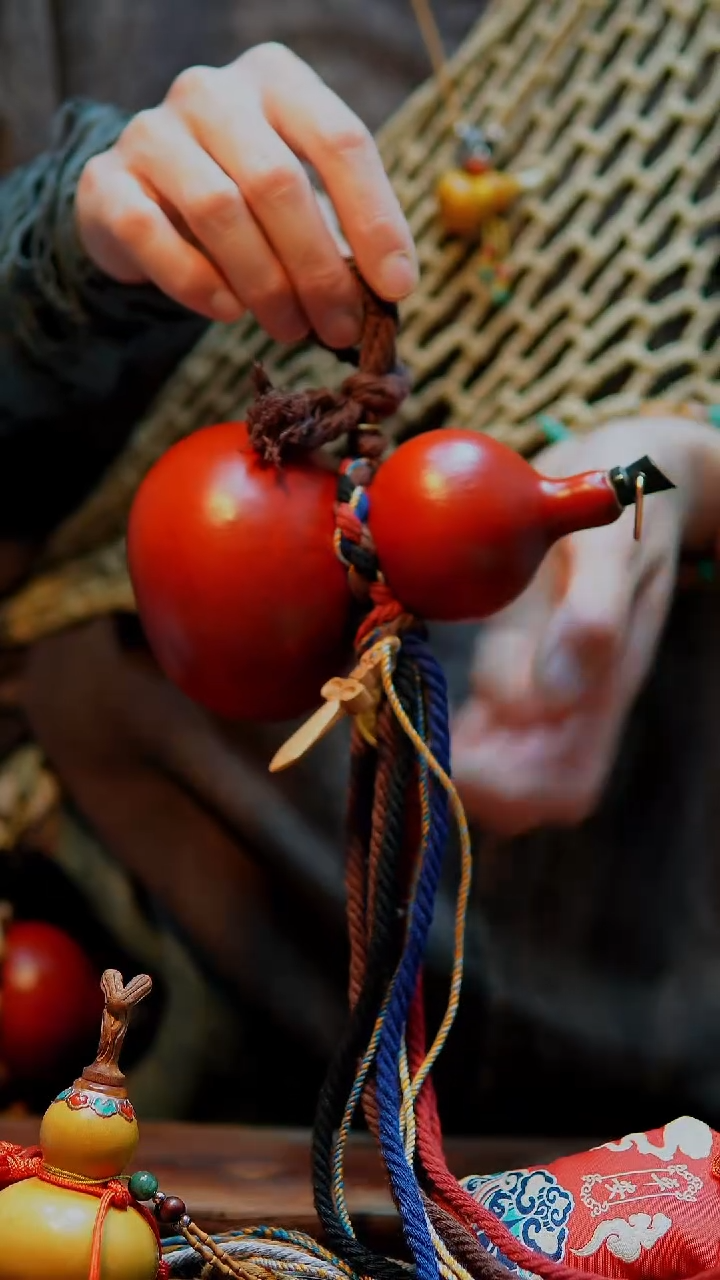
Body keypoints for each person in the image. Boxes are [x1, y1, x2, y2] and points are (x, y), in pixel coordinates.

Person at [2, 37, 720, 1135]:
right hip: (144, 997)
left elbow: (610, 485)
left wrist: (690, 474)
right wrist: (66, 240)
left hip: (655, 1040)